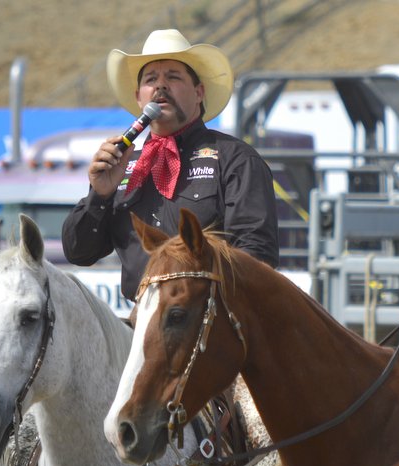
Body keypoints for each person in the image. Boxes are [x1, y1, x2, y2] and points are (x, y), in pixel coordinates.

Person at [62, 29, 279, 301]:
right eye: (151, 79)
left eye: (173, 77)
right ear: (139, 98)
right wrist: (100, 194)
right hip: (140, 326)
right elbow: (78, 252)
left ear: (199, 93)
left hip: (211, 325)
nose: (160, 86)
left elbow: (257, 254)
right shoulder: (124, 165)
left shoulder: (235, 159)